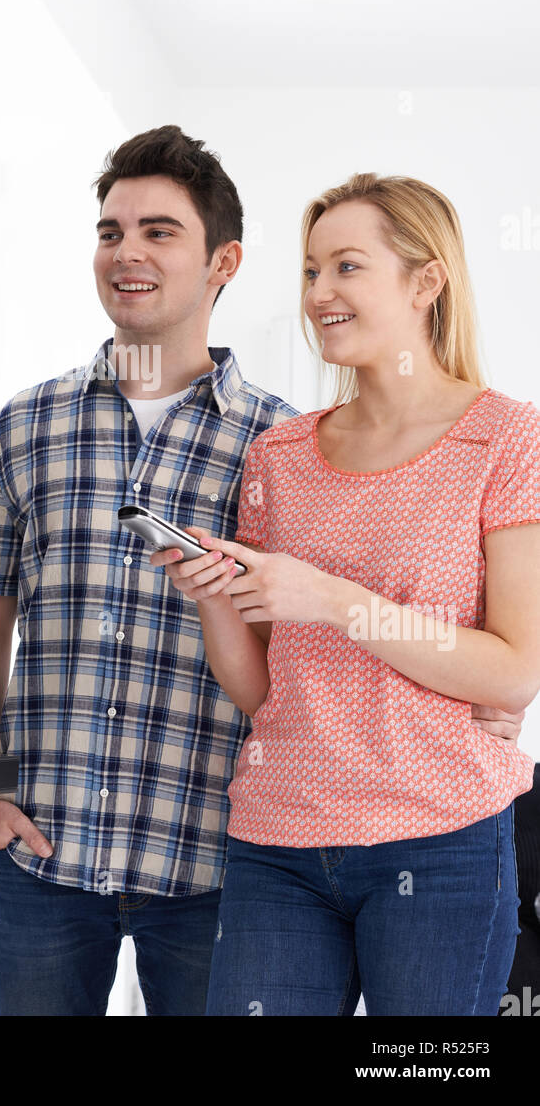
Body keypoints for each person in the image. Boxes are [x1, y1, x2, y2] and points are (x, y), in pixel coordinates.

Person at [0, 135, 524, 1016]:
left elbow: (492, 659)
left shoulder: (293, 441)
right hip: (100, 848)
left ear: (223, 262)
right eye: (109, 231)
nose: (126, 252)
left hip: (231, 848)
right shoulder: (46, 429)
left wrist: (456, 681)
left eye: (159, 232)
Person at [151, 171, 539, 1016]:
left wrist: (329, 600)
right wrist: (216, 594)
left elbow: (512, 673)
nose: (318, 293)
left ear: (425, 281)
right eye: (309, 271)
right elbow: (262, 692)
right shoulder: (278, 457)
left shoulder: (505, 439)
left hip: (442, 841)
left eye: (346, 268)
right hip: (276, 842)